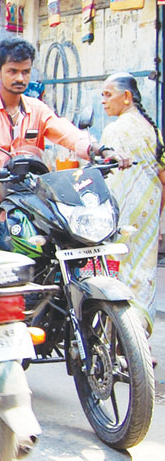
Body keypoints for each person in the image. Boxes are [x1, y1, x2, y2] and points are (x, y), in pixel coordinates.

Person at [0, 38, 129, 247]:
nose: (20, 77)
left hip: (29, 200)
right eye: (13, 71)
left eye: (26, 72)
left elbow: (66, 132)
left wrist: (101, 150)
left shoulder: (37, 109)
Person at [99, 73, 165, 333]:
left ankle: (123, 343)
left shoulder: (115, 130)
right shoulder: (153, 129)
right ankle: (141, 344)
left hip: (121, 217)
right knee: (143, 274)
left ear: (126, 97)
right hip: (147, 216)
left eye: (108, 94)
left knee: (117, 274)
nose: (103, 101)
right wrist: (156, 216)